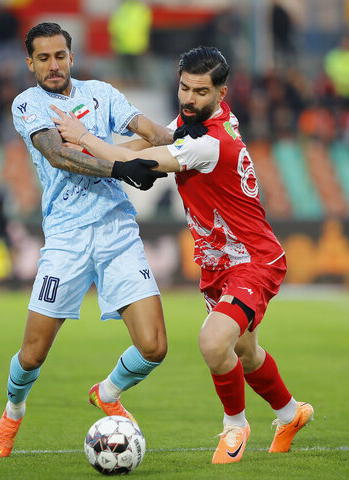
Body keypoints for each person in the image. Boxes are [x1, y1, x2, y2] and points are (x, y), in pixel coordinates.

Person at [53, 46, 312, 463]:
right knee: (244, 352)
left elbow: (138, 164)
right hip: (219, 264)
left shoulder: (207, 143)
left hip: (252, 259)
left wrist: (84, 140)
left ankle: (235, 426)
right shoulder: (198, 123)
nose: (189, 99)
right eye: (184, 87)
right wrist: (99, 148)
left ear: (221, 93)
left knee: (212, 343)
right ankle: (289, 413)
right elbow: (156, 136)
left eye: (201, 92)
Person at [0, 22, 193, 458]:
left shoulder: (101, 93)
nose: (53, 65)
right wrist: (120, 168)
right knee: (32, 354)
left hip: (118, 231)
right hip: (66, 237)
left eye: (60, 55)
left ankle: (107, 391)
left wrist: (195, 139)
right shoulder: (28, 103)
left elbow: (152, 132)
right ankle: (13, 410)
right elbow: (58, 154)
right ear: (30, 63)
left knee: (154, 346)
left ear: (71, 56)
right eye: (43, 58)